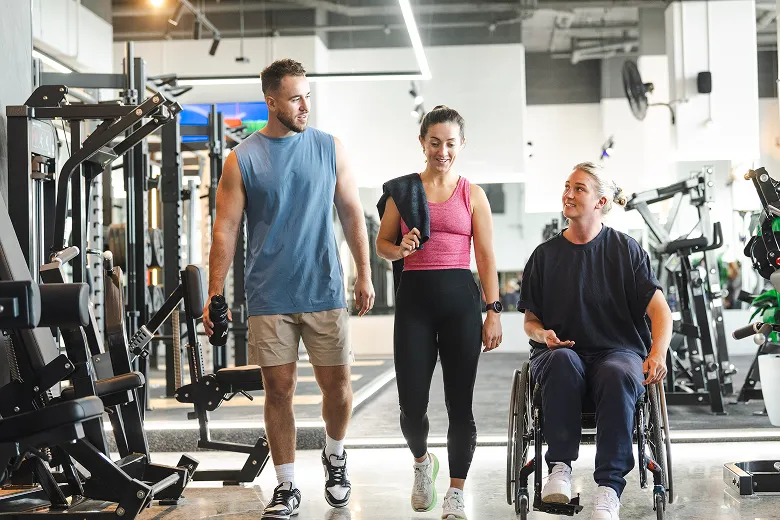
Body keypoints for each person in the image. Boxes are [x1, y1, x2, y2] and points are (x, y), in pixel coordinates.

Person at [202, 58, 375, 520]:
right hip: (269, 294)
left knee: (336, 385)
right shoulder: (242, 159)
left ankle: (335, 456)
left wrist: (365, 272)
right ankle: (286, 486)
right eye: (296, 97)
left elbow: (353, 213)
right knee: (278, 388)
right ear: (271, 101)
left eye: (308, 97)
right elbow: (226, 229)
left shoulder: (329, 147)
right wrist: (215, 293)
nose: (304, 106)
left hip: (323, 288)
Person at [518, 162, 673, 520]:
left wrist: (657, 352)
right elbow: (530, 321)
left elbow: (660, 312)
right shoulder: (544, 256)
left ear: (601, 201)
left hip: (616, 352)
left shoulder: (626, 250)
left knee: (619, 371)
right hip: (560, 353)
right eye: (567, 186)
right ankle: (559, 469)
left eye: (579, 189)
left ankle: (608, 490)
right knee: (561, 362)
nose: (568, 194)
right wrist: (542, 334)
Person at [376, 105, 503, 520]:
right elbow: (383, 245)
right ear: (422, 143)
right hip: (414, 301)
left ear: (461, 145)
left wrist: (493, 310)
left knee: (459, 405)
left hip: (461, 304)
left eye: (450, 143)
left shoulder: (473, 194)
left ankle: (456, 491)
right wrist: (401, 249)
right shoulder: (404, 191)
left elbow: (485, 255)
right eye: (435, 142)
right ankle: (421, 463)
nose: (442, 151)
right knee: (412, 406)